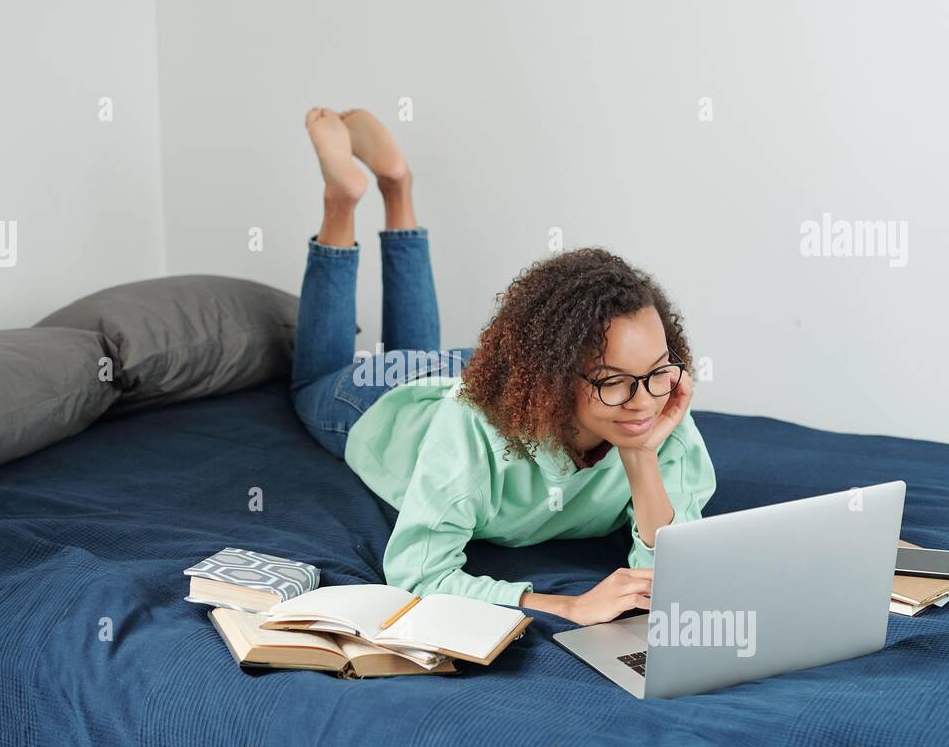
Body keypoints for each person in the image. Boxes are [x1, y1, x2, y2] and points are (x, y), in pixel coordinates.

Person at [290, 107, 717, 626]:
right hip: (390, 395)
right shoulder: (473, 429)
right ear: (554, 379)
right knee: (312, 383)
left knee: (427, 347)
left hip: (471, 369)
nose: (645, 400)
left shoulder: (657, 408)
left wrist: (641, 458)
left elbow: (671, 576)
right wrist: (564, 605)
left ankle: (397, 184)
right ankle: (343, 202)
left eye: (655, 372)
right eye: (613, 382)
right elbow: (418, 574)